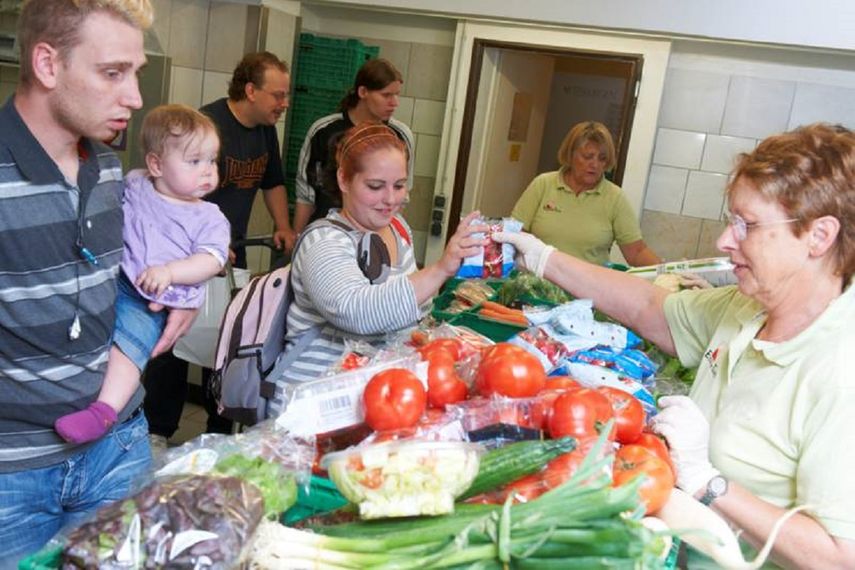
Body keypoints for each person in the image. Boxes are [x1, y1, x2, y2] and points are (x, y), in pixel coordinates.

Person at [494, 123, 855, 568]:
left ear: (819, 236)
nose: (724, 240)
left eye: (748, 225)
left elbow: (840, 557)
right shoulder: (746, 307)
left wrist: (710, 484)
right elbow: (649, 305)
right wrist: (544, 257)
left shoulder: (842, 369)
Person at [0, 0, 194, 563]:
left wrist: (182, 288)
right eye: (114, 73)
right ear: (47, 64)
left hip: (118, 451)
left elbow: (126, 281)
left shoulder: (109, 169)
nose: (135, 96)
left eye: (134, 73)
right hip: (13, 475)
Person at [269, 123, 486, 416]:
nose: (391, 199)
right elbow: (357, 312)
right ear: (344, 180)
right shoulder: (324, 240)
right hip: (314, 406)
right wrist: (441, 269)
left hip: (378, 401)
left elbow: (414, 313)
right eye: (375, 186)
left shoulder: (398, 228)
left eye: (399, 185)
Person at [54, 105, 230, 444]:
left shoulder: (209, 217)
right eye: (195, 161)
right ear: (155, 165)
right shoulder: (137, 183)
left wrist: (171, 272)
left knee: (128, 350)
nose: (208, 171)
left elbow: (211, 260)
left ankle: (103, 412)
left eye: (212, 160)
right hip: (113, 279)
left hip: (151, 298)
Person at [144, 51, 294, 440]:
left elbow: (273, 181)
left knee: (226, 343)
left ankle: (219, 432)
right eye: (277, 95)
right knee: (173, 344)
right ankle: (158, 433)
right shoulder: (206, 125)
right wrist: (203, 243)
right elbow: (173, 189)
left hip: (232, 257)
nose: (284, 103)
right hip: (185, 256)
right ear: (250, 90)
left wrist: (283, 226)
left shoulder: (265, 131)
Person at [511, 121, 660, 267]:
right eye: (587, 156)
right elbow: (514, 234)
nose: (594, 164)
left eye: (602, 159)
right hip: (535, 283)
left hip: (587, 288)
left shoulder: (615, 197)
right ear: (570, 155)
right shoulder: (543, 184)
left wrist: (670, 273)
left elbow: (637, 252)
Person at [292, 58, 415, 234]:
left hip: (374, 235)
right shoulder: (323, 131)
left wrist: (385, 238)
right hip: (326, 231)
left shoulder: (401, 135)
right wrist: (299, 238)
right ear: (363, 91)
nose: (395, 103)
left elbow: (402, 198)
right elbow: (305, 192)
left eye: (397, 95)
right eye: (386, 95)